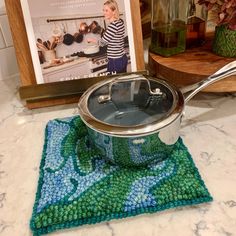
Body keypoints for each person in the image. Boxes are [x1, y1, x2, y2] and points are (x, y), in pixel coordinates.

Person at [88, 0, 128, 74]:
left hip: (115, 60)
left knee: (114, 84)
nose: (104, 13)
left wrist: (92, 40)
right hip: (122, 57)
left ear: (113, 11)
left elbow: (103, 43)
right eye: (103, 10)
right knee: (121, 82)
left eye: (106, 10)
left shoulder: (113, 26)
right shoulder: (119, 22)